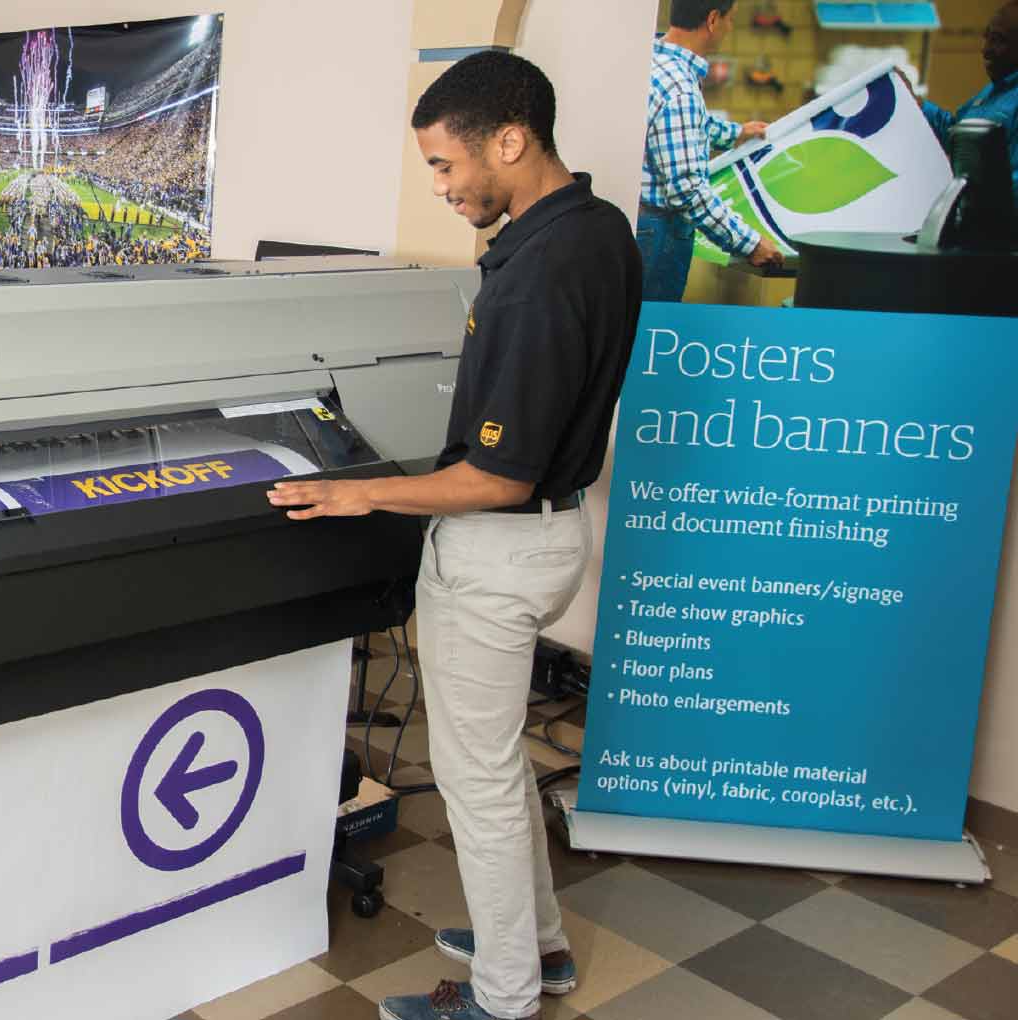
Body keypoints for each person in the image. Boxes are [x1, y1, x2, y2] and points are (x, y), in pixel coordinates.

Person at [266, 51, 641, 1020]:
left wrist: (362, 496)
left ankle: (503, 996)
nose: (439, 188)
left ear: (509, 142)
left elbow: (496, 474)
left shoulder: (533, 278)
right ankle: (540, 947)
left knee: (475, 787)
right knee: (500, 764)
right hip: (556, 543)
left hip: (500, 553)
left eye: (443, 165)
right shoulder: (600, 232)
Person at [639, 0, 780, 302]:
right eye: (730, 20)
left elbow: (671, 126)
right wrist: (750, 244)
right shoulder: (681, 91)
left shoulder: (652, 63)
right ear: (713, 20)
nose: (730, 29)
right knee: (650, 336)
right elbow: (687, 191)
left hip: (640, 227)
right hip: (658, 235)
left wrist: (736, 134)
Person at [918, 0, 1017, 206]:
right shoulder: (993, 91)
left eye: (998, 40)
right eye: (987, 37)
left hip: (994, 232)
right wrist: (916, 103)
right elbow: (955, 133)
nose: (986, 50)